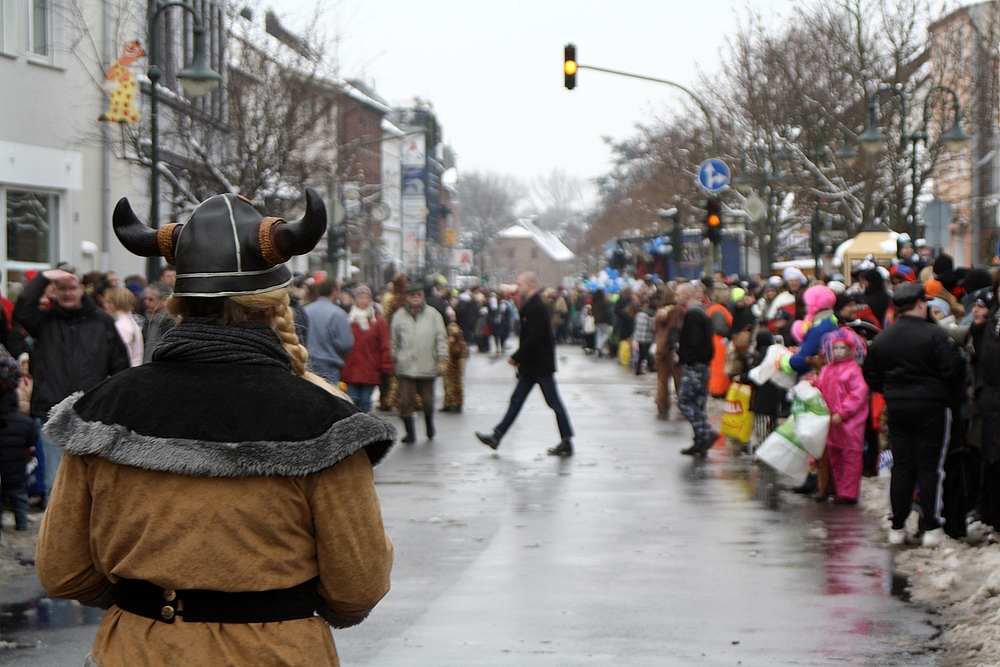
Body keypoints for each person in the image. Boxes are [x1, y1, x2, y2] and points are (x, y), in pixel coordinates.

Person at [36, 189, 395, 667]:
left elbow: (63, 570)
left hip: (137, 652)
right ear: (274, 304)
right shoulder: (327, 423)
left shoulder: (102, 409)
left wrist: (147, 600)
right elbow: (357, 584)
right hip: (276, 654)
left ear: (177, 300)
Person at [863, 282, 966, 547]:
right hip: (932, 406)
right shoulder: (935, 335)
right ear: (921, 303)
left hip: (897, 405)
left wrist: (891, 390)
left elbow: (871, 375)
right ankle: (930, 526)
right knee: (930, 467)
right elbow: (954, 371)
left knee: (902, 465)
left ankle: (897, 525)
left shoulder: (884, 337)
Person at [13, 268, 130, 494]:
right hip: (51, 410)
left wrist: (116, 406)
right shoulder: (44, 321)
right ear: (53, 292)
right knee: (55, 484)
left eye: (72, 288)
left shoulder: (102, 322)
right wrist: (45, 277)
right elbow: (22, 310)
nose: (67, 293)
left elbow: (120, 366)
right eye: (61, 288)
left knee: (89, 484)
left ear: (81, 290)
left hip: (90, 413)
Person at [476, 272, 575, 457]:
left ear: (529, 285)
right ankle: (497, 436)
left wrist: (517, 357)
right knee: (517, 401)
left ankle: (567, 440)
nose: (517, 287)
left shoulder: (537, 306)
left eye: (520, 284)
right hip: (532, 366)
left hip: (539, 365)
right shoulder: (532, 304)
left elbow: (534, 338)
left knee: (553, 403)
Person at [814, 328, 870, 504]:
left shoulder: (854, 371)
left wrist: (843, 412)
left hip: (849, 422)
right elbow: (821, 388)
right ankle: (839, 489)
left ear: (851, 350)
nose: (838, 352)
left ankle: (849, 493)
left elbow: (858, 394)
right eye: (835, 348)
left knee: (850, 457)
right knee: (835, 456)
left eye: (842, 348)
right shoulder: (827, 369)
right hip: (832, 422)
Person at [390, 283, 447, 443]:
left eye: (418, 295)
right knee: (406, 401)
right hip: (405, 365)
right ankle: (410, 432)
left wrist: (442, 358)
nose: (415, 298)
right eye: (412, 295)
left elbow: (441, 337)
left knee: (428, 400)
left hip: (427, 364)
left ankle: (429, 424)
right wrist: (394, 358)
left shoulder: (433, 315)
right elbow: (394, 340)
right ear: (407, 297)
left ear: (423, 296)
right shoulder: (399, 315)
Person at [674, 282, 716, 456]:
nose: (675, 298)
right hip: (703, 365)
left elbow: (695, 343)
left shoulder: (693, 315)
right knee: (698, 405)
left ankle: (705, 433)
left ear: (686, 295)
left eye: (677, 295)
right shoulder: (701, 312)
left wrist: (685, 357)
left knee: (684, 402)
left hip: (696, 366)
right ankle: (700, 440)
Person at [340, 285, 392, 414]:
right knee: (352, 401)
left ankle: (366, 429)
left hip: (370, 368)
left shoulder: (377, 322)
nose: (363, 301)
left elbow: (384, 344)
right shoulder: (349, 320)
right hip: (351, 368)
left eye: (366, 298)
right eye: (361, 298)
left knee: (365, 401)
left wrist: (385, 365)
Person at [0, 391, 39, 533]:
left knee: (1, 498)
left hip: (1, 469)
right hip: (17, 468)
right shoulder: (27, 422)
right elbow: (32, 440)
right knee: (19, 498)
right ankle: (22, 524)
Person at [304, 278, 355, 384]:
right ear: (334, 291)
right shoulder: (338, 314)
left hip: (307, 365)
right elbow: (345, 343)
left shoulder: (306, 311)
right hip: (329, 366)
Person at [653, 289, 684, 419]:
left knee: (662, 379)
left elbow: (656, 330)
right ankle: (683, 403)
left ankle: (662, 404)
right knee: (679, 378)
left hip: (660, 348)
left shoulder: (659, 312)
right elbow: (680, 328)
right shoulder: (677, 311)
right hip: (672, 348)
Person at [104, 286, 144, 367]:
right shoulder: (130, 321)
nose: (105, 305)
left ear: (118, 303)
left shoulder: (121, 325)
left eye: (109, 302)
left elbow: (122, 356)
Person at [142, 282, 174, 363]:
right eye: (145, 299)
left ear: (164, 301)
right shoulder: (147, 320)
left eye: (151, 299)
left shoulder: (170, 322)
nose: (146, 302)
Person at [441, 322, 468, 412]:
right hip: (449, 364)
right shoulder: (447, 344)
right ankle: (448, 402)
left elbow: (462, 355)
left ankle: (457, 402)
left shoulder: (461, 344)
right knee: (447, 383)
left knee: (457, 383)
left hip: (457, 364)